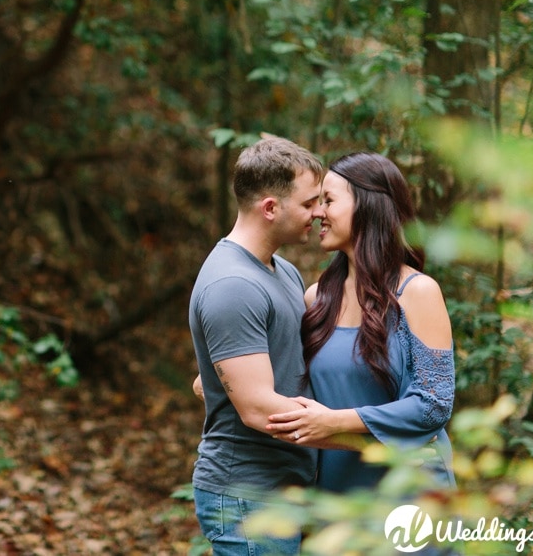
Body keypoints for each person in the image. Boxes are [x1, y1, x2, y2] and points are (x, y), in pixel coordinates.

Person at [264, 152, 456, 493]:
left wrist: (333, 422)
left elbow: (434, 403)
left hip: (411, 494)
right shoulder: (316, 298)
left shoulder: (418, 292)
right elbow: (290, 387)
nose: (318, 212)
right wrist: (226, 376)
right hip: (335, 495)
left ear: (368, 206)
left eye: (329, 200)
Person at [188, 136, 324, 555]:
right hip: (247, 496)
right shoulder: (234, 284)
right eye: (309, 203)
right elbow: (258, 407)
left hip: (283, 490)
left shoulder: (281, 271)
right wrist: (370, 435)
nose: (319, 213)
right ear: (270, 208)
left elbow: (205, 380)